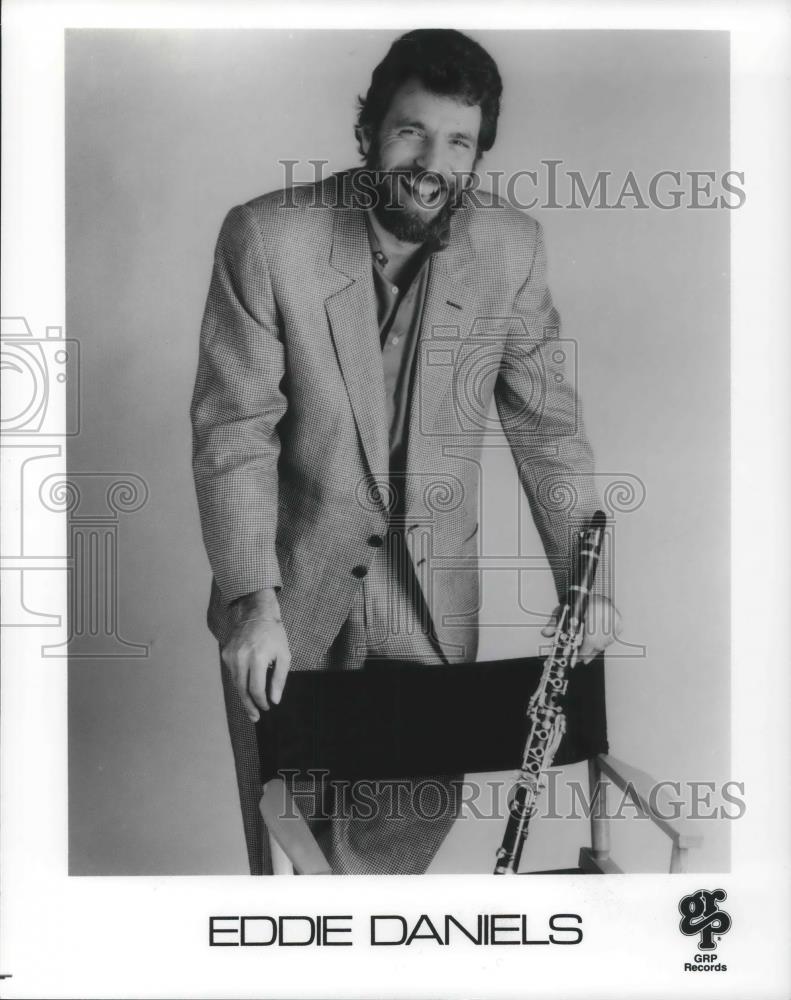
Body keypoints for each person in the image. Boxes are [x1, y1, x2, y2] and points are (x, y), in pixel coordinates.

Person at [190, 28, 621, 875]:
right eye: (410, 131)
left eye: (458, 142)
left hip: (428, 598)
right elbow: (233, 427)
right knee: (294, 855)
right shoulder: (266, 236)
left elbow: (548, 428)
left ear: (476, 154)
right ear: (367, 130)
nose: (432, 159)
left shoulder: (512, 246)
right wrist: (253, 606)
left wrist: (589, 583)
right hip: (290, 591)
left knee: (394, 849)